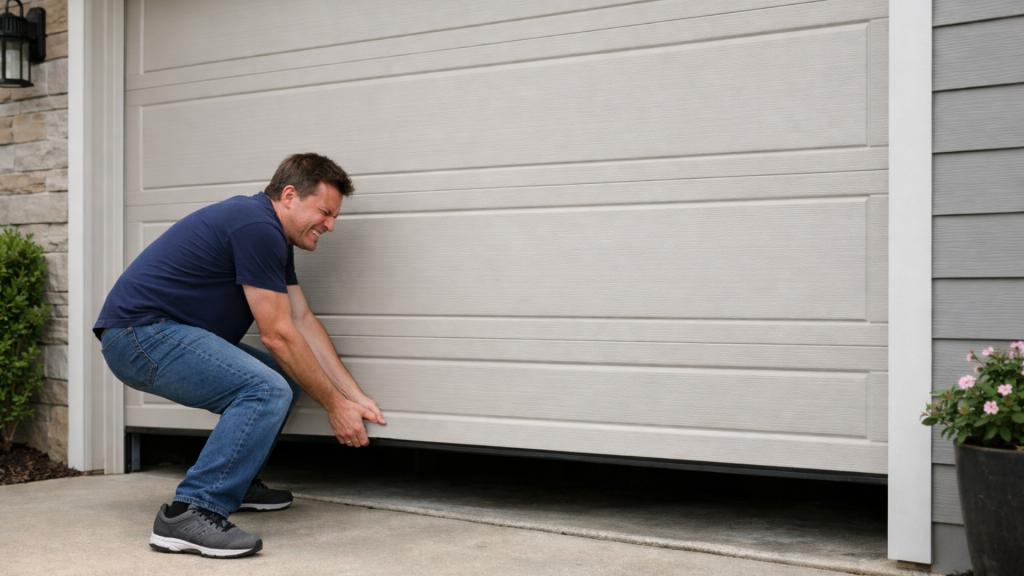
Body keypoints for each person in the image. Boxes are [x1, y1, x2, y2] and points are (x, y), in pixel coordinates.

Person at [94, 153, 386, 558]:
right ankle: (189, 512)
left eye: (335, 216)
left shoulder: (270, 235)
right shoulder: (256, 227)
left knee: (282, 382)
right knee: (266, 388)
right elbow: (279, 336)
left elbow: (301, 320)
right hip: (141, 336)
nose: (330, 225)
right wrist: (335, 406)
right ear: (289, 195)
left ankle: (237, 481)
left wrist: (352, 395)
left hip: (156, 334)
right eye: (325, 212)